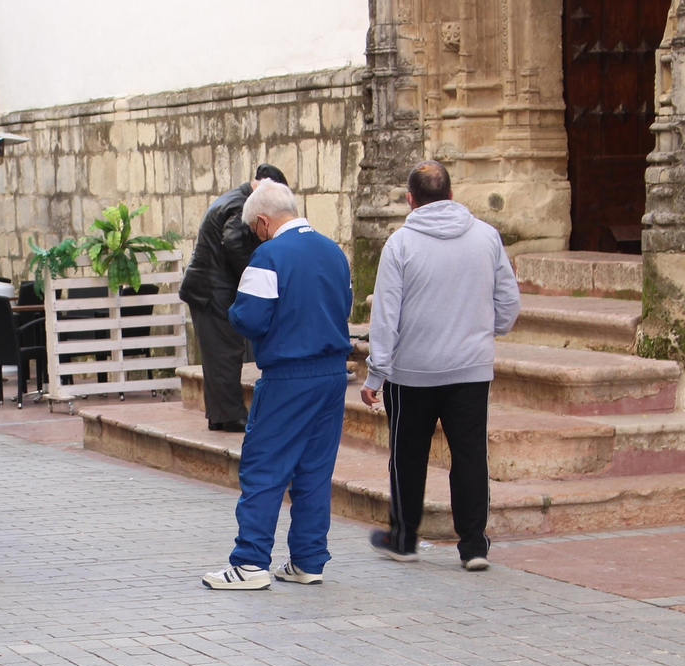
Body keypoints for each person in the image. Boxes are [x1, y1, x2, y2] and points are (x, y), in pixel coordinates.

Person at [363, 160, 520, 573]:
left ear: (410, 201)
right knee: (470, 455)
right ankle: (473, 545)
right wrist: (488, 332)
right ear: (452, 195)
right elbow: (509, 302)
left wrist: (376, 373)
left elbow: (386, 316)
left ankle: (403, 538)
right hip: (470, 368)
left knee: (407, 455)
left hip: (412, 370)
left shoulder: (400, 244)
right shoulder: (487, 237)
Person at [202, 179, 352, 591]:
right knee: (315, 471)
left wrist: (234, 311)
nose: (255, 236)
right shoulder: (334, 251)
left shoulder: (269, 256)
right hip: (333, 373)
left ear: (263, 222)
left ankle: (249, 562)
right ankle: (308, 559)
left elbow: (251, 318)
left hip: (289, 374)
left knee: (264, 466)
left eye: (254, 229)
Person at [180, 163, 289, 432]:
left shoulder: (235, 199)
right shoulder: (242, 205)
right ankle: (228, 415)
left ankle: (221, 415)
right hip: (212, 290)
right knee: (225, 351)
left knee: (219, 352)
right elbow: (234, 242)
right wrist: (251, 276)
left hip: (208, 288)